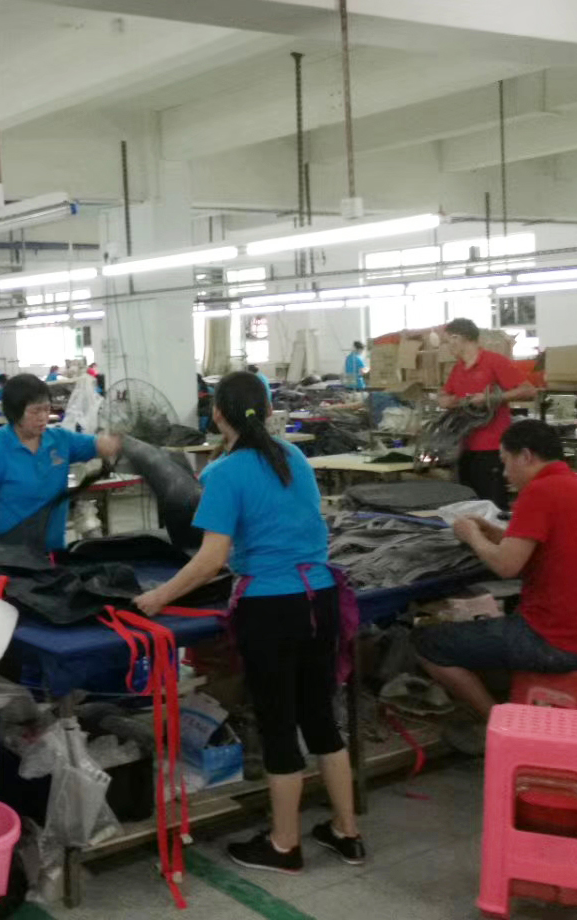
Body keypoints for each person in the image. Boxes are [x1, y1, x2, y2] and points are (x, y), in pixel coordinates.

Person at [132, 370, 363, 873]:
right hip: (320, 599)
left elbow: (211, 559)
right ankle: (347, 833)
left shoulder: (223, 473)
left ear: (217, 415)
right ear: (269, 410)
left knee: (278, 728)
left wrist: (159, 597)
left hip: (271, 609)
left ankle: (284, 845)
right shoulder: (293, 457)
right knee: (321, 721)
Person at [414, 419, 577, 721]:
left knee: (427, 643)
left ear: (526, 456)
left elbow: (506, 566)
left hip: (561, 642)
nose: (505, 474)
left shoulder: (540, 491)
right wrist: (493, 533)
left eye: (505, 462)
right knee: (497, 624)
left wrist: (472, 536)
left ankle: (496, 722)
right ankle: (509, 699)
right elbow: (545, 547)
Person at [0, 373, 122, 552]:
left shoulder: (60, 440)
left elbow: (95, 444)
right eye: (35, 411)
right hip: (7, 554)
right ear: (15, 412)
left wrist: (110, 443)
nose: (43, 417)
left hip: (52, 552)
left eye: (46, 409)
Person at [438, 317, 536, 509]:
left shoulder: (494, 361)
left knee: (492, 505)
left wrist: (490, 398)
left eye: (448, 341)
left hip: (491, 448)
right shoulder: (458, 368)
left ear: (458, 338)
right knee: (469, 504)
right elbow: (444, 393)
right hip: (464, 447)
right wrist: (446, 400)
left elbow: (529, 391)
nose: (448, 347)